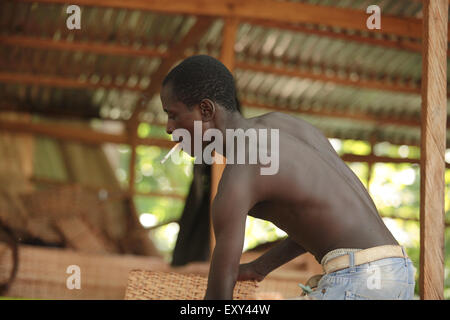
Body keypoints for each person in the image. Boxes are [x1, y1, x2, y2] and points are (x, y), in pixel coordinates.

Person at [159, 55, 416, 300]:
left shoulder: (240, 173)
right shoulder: (285, 125)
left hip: (360, 280)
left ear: (205, 109)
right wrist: (260, 267)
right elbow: (319, 218)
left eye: (173, 114)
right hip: (395, 271)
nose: (169, 127)